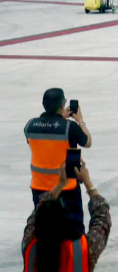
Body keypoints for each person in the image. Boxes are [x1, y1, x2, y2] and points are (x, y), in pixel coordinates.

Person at [26, 88, 92, 233]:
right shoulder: (70, 127)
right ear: (62, 106)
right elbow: (87, 142)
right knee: (72, 229)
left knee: (44, 228)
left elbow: (46, 133)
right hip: (66, 188)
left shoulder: (30, 126)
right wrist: (80, 121)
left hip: (39, 187)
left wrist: (59, 119)